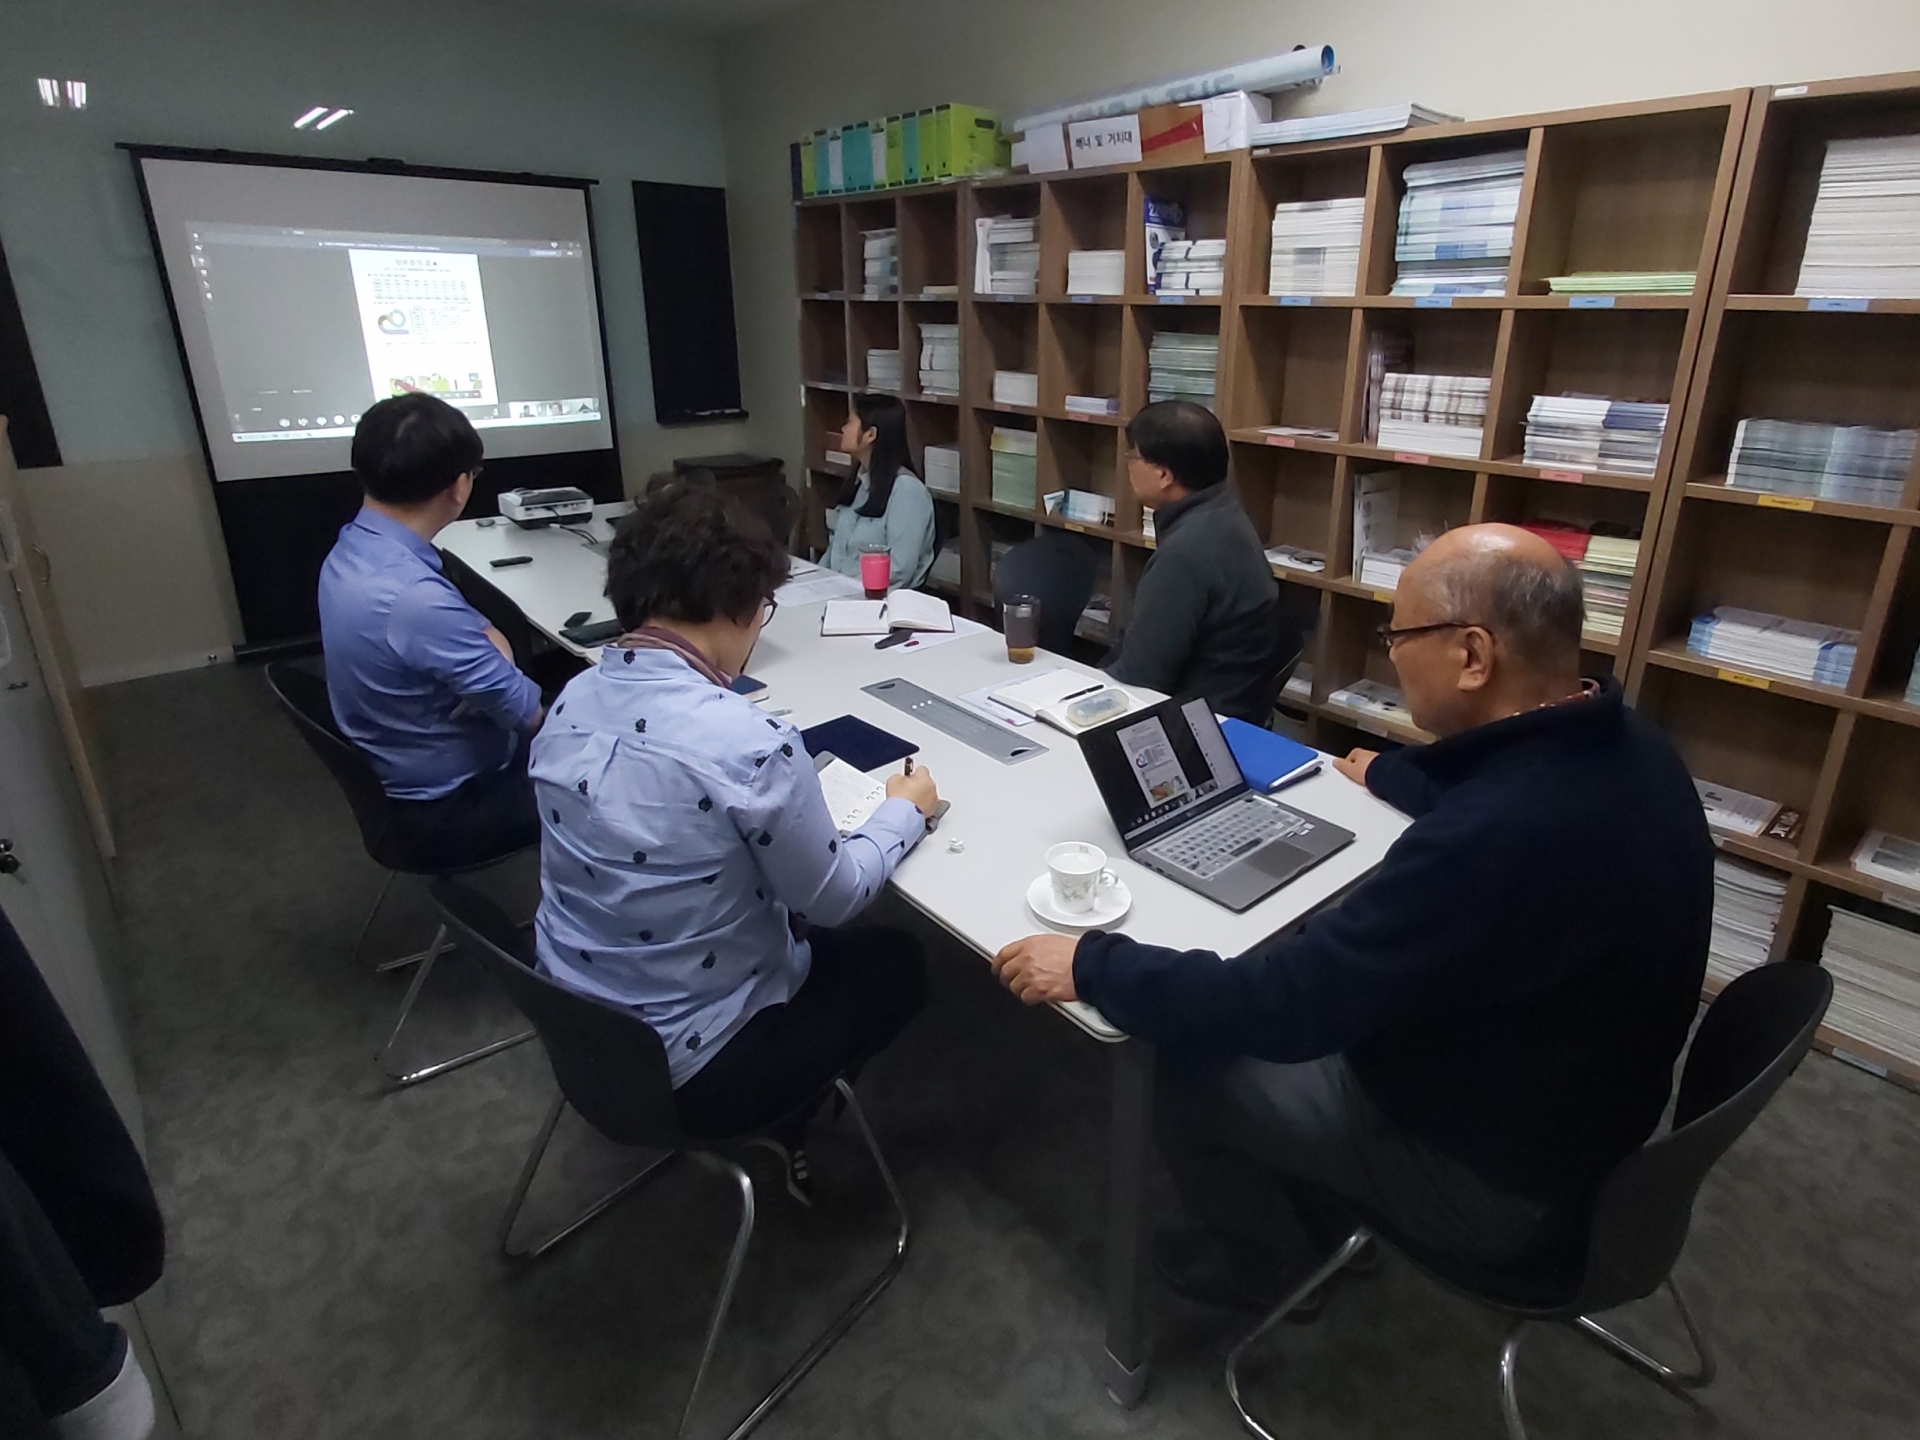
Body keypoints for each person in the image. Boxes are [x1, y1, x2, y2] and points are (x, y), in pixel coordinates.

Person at [991, 524, 1713, 1308]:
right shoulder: (1629, 744)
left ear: (1473, 655)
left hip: (1493, 1186)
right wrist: (1400, 775)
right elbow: (1496, 785)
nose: (1392, 655)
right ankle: (1320, 1200)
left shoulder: (1485, 843)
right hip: (1585, 1124)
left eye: (1400, 636)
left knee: (1178, 1050)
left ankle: (1268, 1264)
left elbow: (1289, 1007)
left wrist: (1095, 961)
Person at [531, 482, 940, 1187]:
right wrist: (906, 808)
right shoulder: (747, 743)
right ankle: (789, 1119)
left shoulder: (571, 698)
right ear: (742, 607)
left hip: (578, 1023)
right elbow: (837, 898)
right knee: (899, 960)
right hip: (698, 1068)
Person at [317, 393, 545, 870]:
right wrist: (496, 661)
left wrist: (490, 656)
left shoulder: (353, 550)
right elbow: (530, 716)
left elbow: (480, 636)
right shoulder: (414, 599)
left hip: (395, 774)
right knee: (625, 761)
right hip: (448, 812)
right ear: (459, 487)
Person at [1103, 401, 1283, 722]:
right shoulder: (1225, 514)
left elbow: (1140, 679)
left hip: (1192, 721)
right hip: (1230, 708)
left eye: (1133, 457)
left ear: (1163, 475)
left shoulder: (1185, 553)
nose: (1128, 465)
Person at [822, 393, 937, 591]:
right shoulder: (859, 481)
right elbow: (835, 551)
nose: (843, 429)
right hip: (839, 591)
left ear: (870, 435)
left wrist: (844, 591)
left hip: (874, 598)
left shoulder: (907, 491)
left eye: (850, 422)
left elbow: (899, 569)